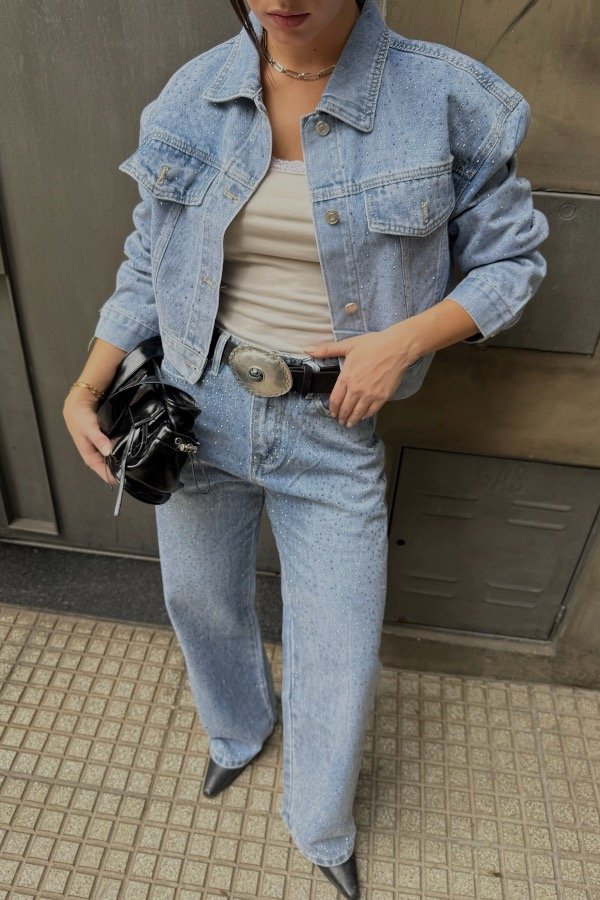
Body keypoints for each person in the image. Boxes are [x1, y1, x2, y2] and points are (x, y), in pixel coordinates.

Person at [63, 1, 548, 896]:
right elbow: (149, 260)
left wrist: (402, 342)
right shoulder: (197, 92)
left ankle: (321, 824)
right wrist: (88, 384)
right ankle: (237, 732)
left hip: (334, 422)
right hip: (197, 406)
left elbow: (513, 264)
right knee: (199, 597)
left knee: (339, 639)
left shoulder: (445, 98)